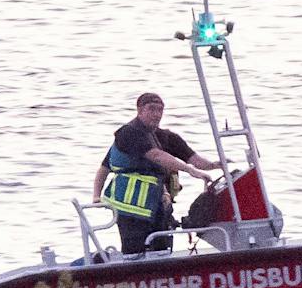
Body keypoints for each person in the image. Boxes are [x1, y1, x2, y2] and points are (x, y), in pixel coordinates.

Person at [92, 92, 219, 255]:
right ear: (139, 110)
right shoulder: (128, 134)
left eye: (160, 110)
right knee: (134, 251)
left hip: (157, 204)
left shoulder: (165, 137)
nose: (157, 114)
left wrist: (214, 165)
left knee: (162, 247)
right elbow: (106, 168)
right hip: (130, 207)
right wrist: (96, 196)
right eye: (151, 109)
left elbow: (194, 159)